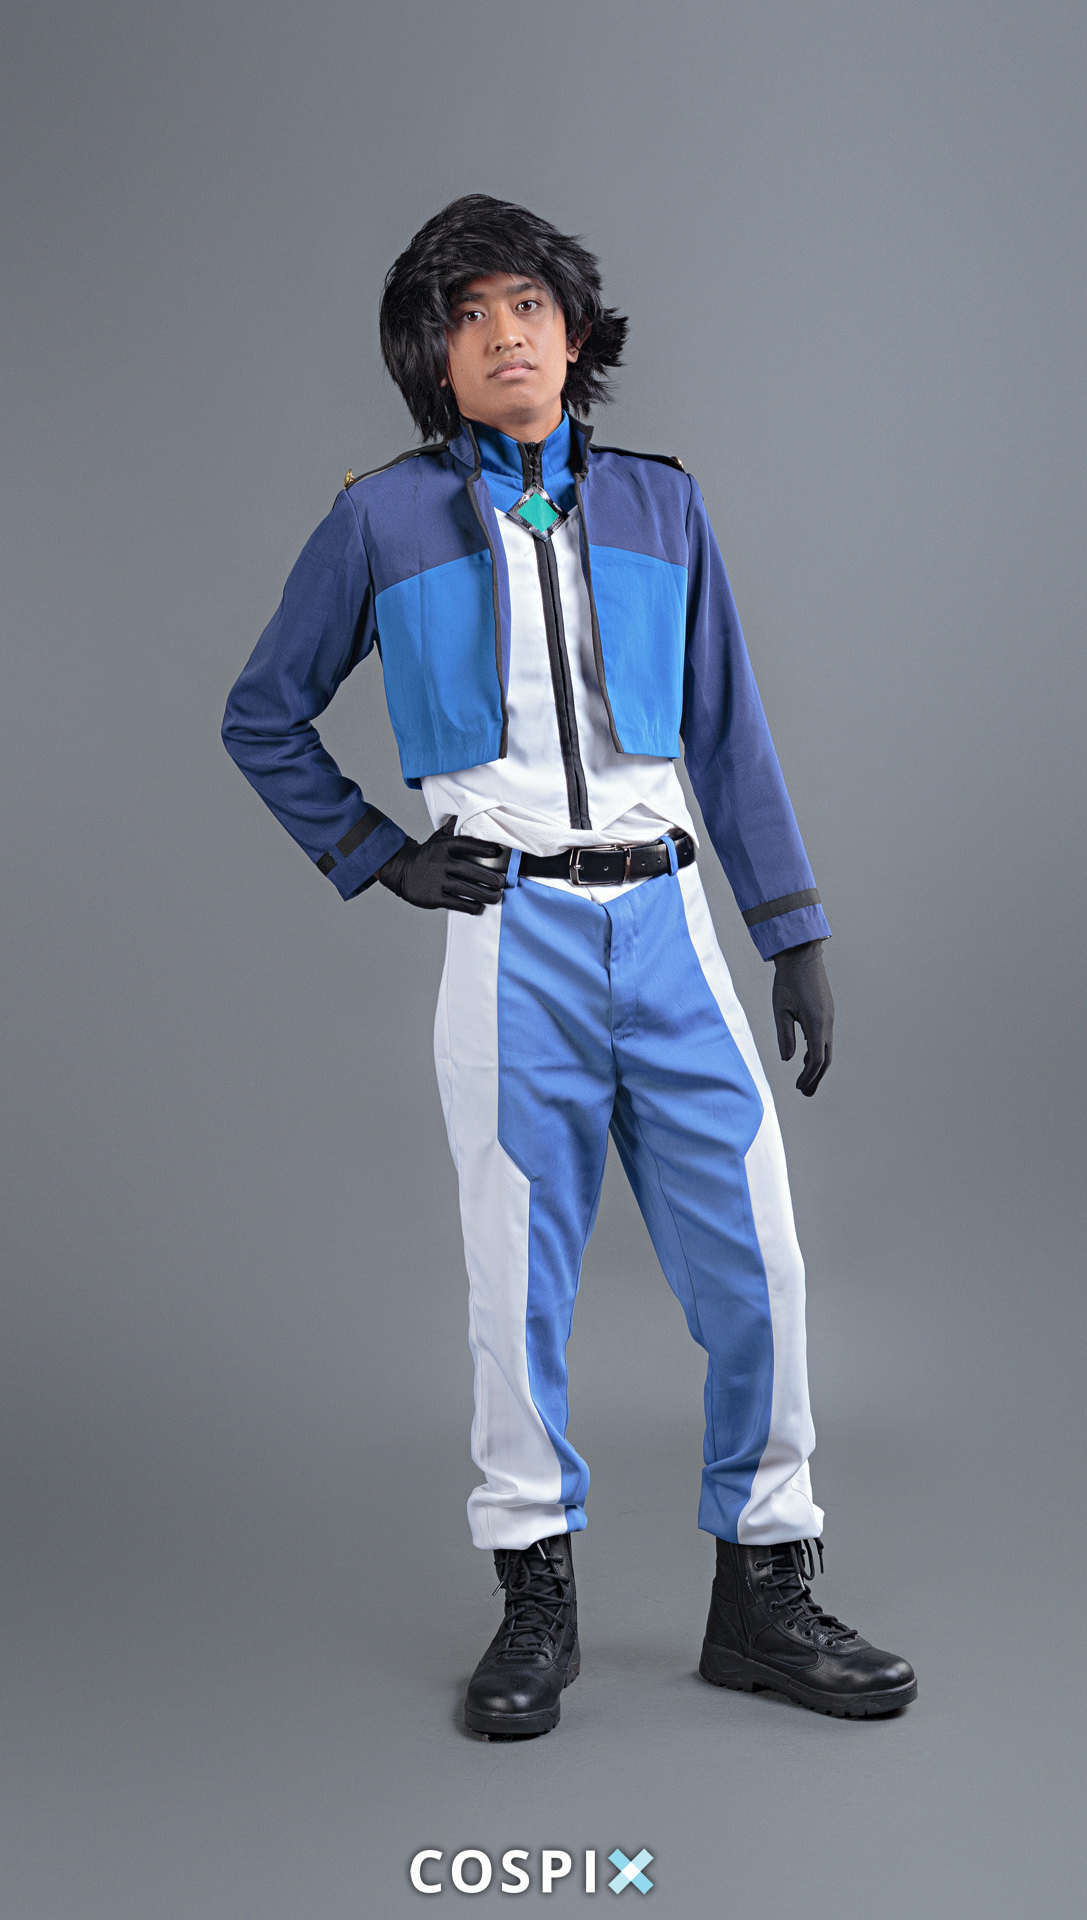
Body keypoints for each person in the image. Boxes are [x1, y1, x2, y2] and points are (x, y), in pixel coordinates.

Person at [222, 193, 916, 1735]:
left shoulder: (663, 505)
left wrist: (790, 932)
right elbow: (260, 712)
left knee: (760, 1266)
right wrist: (378, 854)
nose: (502, 335)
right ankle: (533, 1600)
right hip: (510, 940)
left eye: (525, 305)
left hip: (669, 930)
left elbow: (726, 727)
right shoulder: (380, 520)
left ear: (575, 330)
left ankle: (765, 1593)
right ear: (432, 358)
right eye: (466, 317)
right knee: (512, 1283)